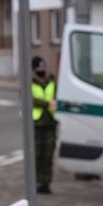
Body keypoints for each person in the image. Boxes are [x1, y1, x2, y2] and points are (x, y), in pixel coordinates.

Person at [31, 56, 57, 194]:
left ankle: (46, 182)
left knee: (48, 154)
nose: (41, 69)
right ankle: (37, 181)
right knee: (37, 155)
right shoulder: (30, 82)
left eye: (43, 66)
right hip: (37, 123)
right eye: (38, 66)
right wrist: (47, 103)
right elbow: (31, 99)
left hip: (50, 122)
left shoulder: (52, 80)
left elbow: (57, 95)